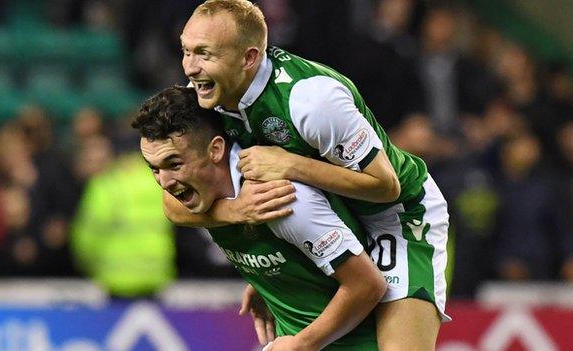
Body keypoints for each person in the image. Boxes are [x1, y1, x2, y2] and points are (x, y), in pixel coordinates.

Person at [172, 1, 451, 350]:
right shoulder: (204, 97)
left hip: (397, 217)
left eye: (204, 54)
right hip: (332, 215)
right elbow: (171, 200)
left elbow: (385, 186)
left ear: (249, 58)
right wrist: (249, 236)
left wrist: (291, 165)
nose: (190, 67)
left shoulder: (311, 101)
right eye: (186, 50)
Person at [133, 85, 387, 350]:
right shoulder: (203, 196)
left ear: (216, 150)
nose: (165, 182)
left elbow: (367, 285)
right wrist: (268, 279)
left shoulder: (282, 199)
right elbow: (172, 209)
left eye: (174, 165)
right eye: (155, 169)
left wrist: (304, 343)